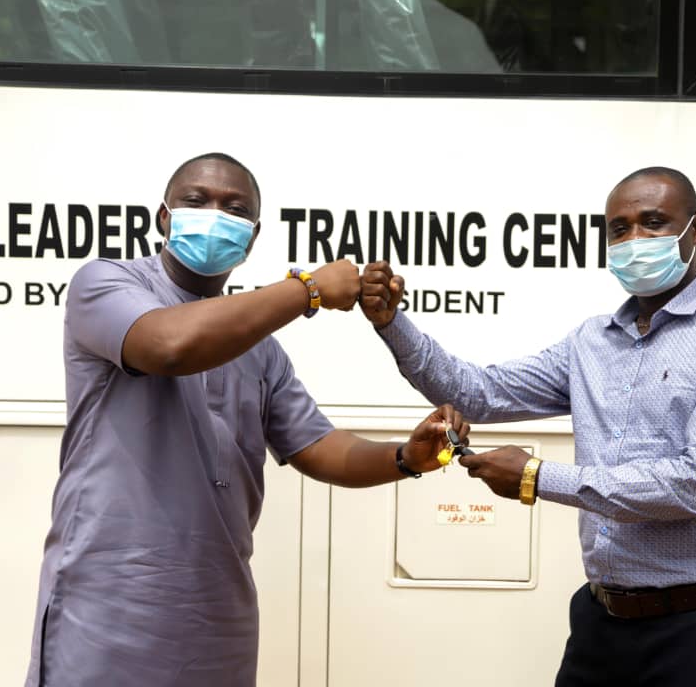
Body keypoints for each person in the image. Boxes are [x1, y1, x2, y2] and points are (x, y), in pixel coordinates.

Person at [25, 152, 469, 687]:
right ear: (163, 219)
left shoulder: (259, 349)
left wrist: (406, 457)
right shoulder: (105, 285)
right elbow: (169, 345)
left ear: (252, 238)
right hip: (110, 605)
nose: (214, 214)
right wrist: (307, 289)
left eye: (234, 208)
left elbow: (318, 446)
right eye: (196, 201)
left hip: (217, 613)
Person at [360, 166, 696, 687]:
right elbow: (477, 392)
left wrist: (536, 477)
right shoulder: (592, 341)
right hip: (599, 623)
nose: (635, 241)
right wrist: (390, 322)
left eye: (654, 223)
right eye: (619, 229)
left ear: (695, 229)